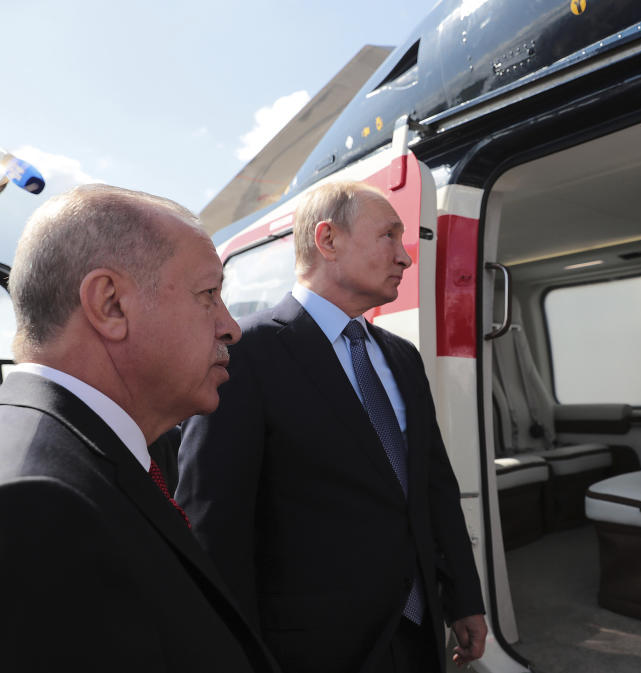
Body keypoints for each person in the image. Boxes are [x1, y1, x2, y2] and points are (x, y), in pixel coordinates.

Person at [176, 181, 487, 673]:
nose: (404, 257)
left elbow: (434, 487)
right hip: (310, 651)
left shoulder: (403, 358)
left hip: (418, 635)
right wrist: (236, 651)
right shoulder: (247, 354)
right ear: (327, 240)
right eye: (389, 235)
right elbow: (214, 518)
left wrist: (465, 599)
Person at [0, 184, 278, 673]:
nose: (232, 326)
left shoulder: (85, 454)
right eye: (209, 294)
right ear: (110, 304)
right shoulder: (36, 502)